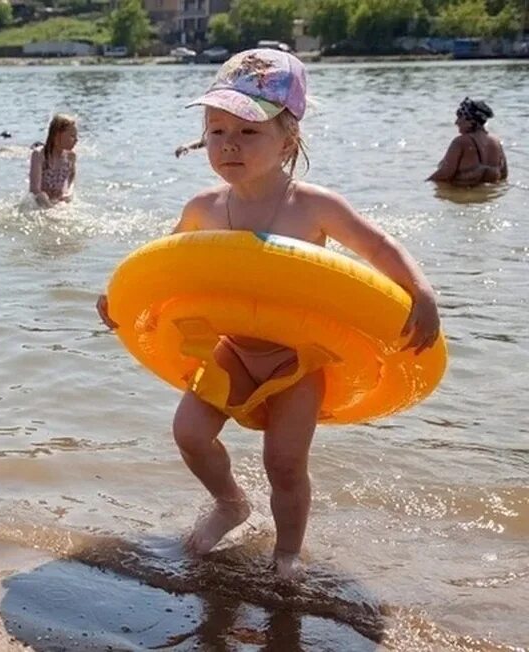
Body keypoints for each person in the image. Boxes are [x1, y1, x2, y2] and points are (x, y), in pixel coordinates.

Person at [95, 49, 441, 578]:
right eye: (217, 130)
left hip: (297, 362)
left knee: (283, 465)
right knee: (189, 432)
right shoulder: (203, 208)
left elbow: (377, 246)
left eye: (250, 131)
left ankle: (287, 556)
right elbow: (161, 270)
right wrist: (119, 300)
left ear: (288, 139)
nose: (229, 143)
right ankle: (231, 503)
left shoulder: (313, 206)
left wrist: (419, 289)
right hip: (233, 350)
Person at [428, 97, 507, 187]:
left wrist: (423, 185)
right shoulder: (496, 142)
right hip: (488, 198)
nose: (456, 122)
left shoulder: (460, 142)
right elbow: (504, 175)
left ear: (471, 121)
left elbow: (445, 173)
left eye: (460, 118)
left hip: (462, 194)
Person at [28, 114, 77, 208]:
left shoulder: (71, 156)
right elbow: (34, 190)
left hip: (58, 203)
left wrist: (68, 193)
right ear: (57, 135)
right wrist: (50, 208)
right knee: (42, 196)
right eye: (72, 136)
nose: (76, 140)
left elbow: (72, 178)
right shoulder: (39, 154)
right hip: (40, 204)